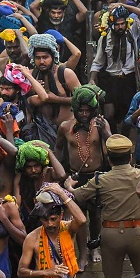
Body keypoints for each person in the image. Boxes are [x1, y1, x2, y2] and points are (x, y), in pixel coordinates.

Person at [69, 134, 140, 278]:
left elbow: (77, 196)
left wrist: (68, 186)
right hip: (139, 232)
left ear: (108, 158)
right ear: (130, 156)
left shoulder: (100, 181)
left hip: (111, 235)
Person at [56, 85, 111, 267]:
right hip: (75, 178)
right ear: (75, 109)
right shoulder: (65, 127)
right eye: (81, 110)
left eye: (88, 110)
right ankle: (83, 252)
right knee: (78, 216)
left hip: (96, 177)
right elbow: (58, 149)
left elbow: (111, 147)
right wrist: (58, 175)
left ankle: (94, 245)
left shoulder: (101, 124)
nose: (85, 114)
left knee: (95, 215)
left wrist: (105, 132)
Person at [90, 5, 140, 132]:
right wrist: (92, 79)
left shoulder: (131, 34)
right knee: (109, 114)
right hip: (110, 80)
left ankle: (124, 142)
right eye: (117, 24)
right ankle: (111, 138)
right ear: (112, 24)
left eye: (123, 23)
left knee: (127, 113)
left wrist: (127, 6)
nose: (120, 27)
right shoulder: (105, 37)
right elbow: (98, 61)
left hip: (128, 79)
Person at [27, 33, 81, 126]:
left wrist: (56, 99)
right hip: (41, 131)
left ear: (53, 56)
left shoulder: (66, 74)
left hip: (67, 130)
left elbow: (83, 100)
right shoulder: (31, 75)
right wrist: (31, 91)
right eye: (38, 58)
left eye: (45, 57)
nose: (41, 62)